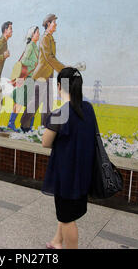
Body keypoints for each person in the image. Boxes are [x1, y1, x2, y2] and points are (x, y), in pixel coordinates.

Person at [42, 67, 97, 249]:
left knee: (67, 219)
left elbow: (46, 142)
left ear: (59, 86)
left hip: (66, 174)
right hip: (83, 172)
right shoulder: (88, 109)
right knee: (67, 212)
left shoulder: (59, 114)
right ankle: (57, 242)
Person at [20, 14, 66, 133]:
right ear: (48, 24)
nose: (56, 24)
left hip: (48, 75)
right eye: (54, 22)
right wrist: (63, 69)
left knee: (47, 104)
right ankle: (24, 126)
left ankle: (43, 129)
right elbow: (49, 58)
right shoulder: (45, 38)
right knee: (35, 102)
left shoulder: (50, 38)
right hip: (41, 76)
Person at [8, 26, 40, 132]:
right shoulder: (30, 46)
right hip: (25, 77)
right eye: (37, 33)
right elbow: (24, 61)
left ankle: (28, 127)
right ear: (32, 35)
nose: (38, 35)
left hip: (30, 78)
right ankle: (11, 123)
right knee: (20, 101)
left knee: (30, 103)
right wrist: (34, 64)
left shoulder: (35, 47)